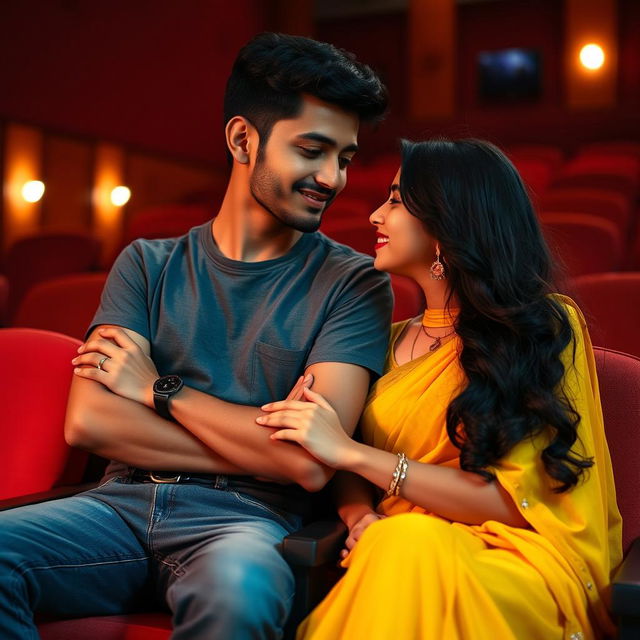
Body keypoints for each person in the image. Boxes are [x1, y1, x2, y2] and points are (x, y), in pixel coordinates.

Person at [0, 33, 392, 640]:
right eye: (313, 150)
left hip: (247, 522)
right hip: (118, 506)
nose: (332, 177)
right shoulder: (146, 264)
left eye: (344, 157)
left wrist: (159, 389)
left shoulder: (354, 284)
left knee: (238, 592)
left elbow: (314, 461)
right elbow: (92, 423)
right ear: (242, 139)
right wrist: (265, 453)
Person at [257, 138, 623, 640]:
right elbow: (337, 463)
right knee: (402, 544)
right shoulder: (380, 342)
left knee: (407, 543)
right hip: (393, 548)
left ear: (447, 223)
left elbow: (513, 505)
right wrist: (359, 514)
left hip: (513, 559)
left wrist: (351, 452)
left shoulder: (541, 326)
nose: (373, 217)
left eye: (396, 201)